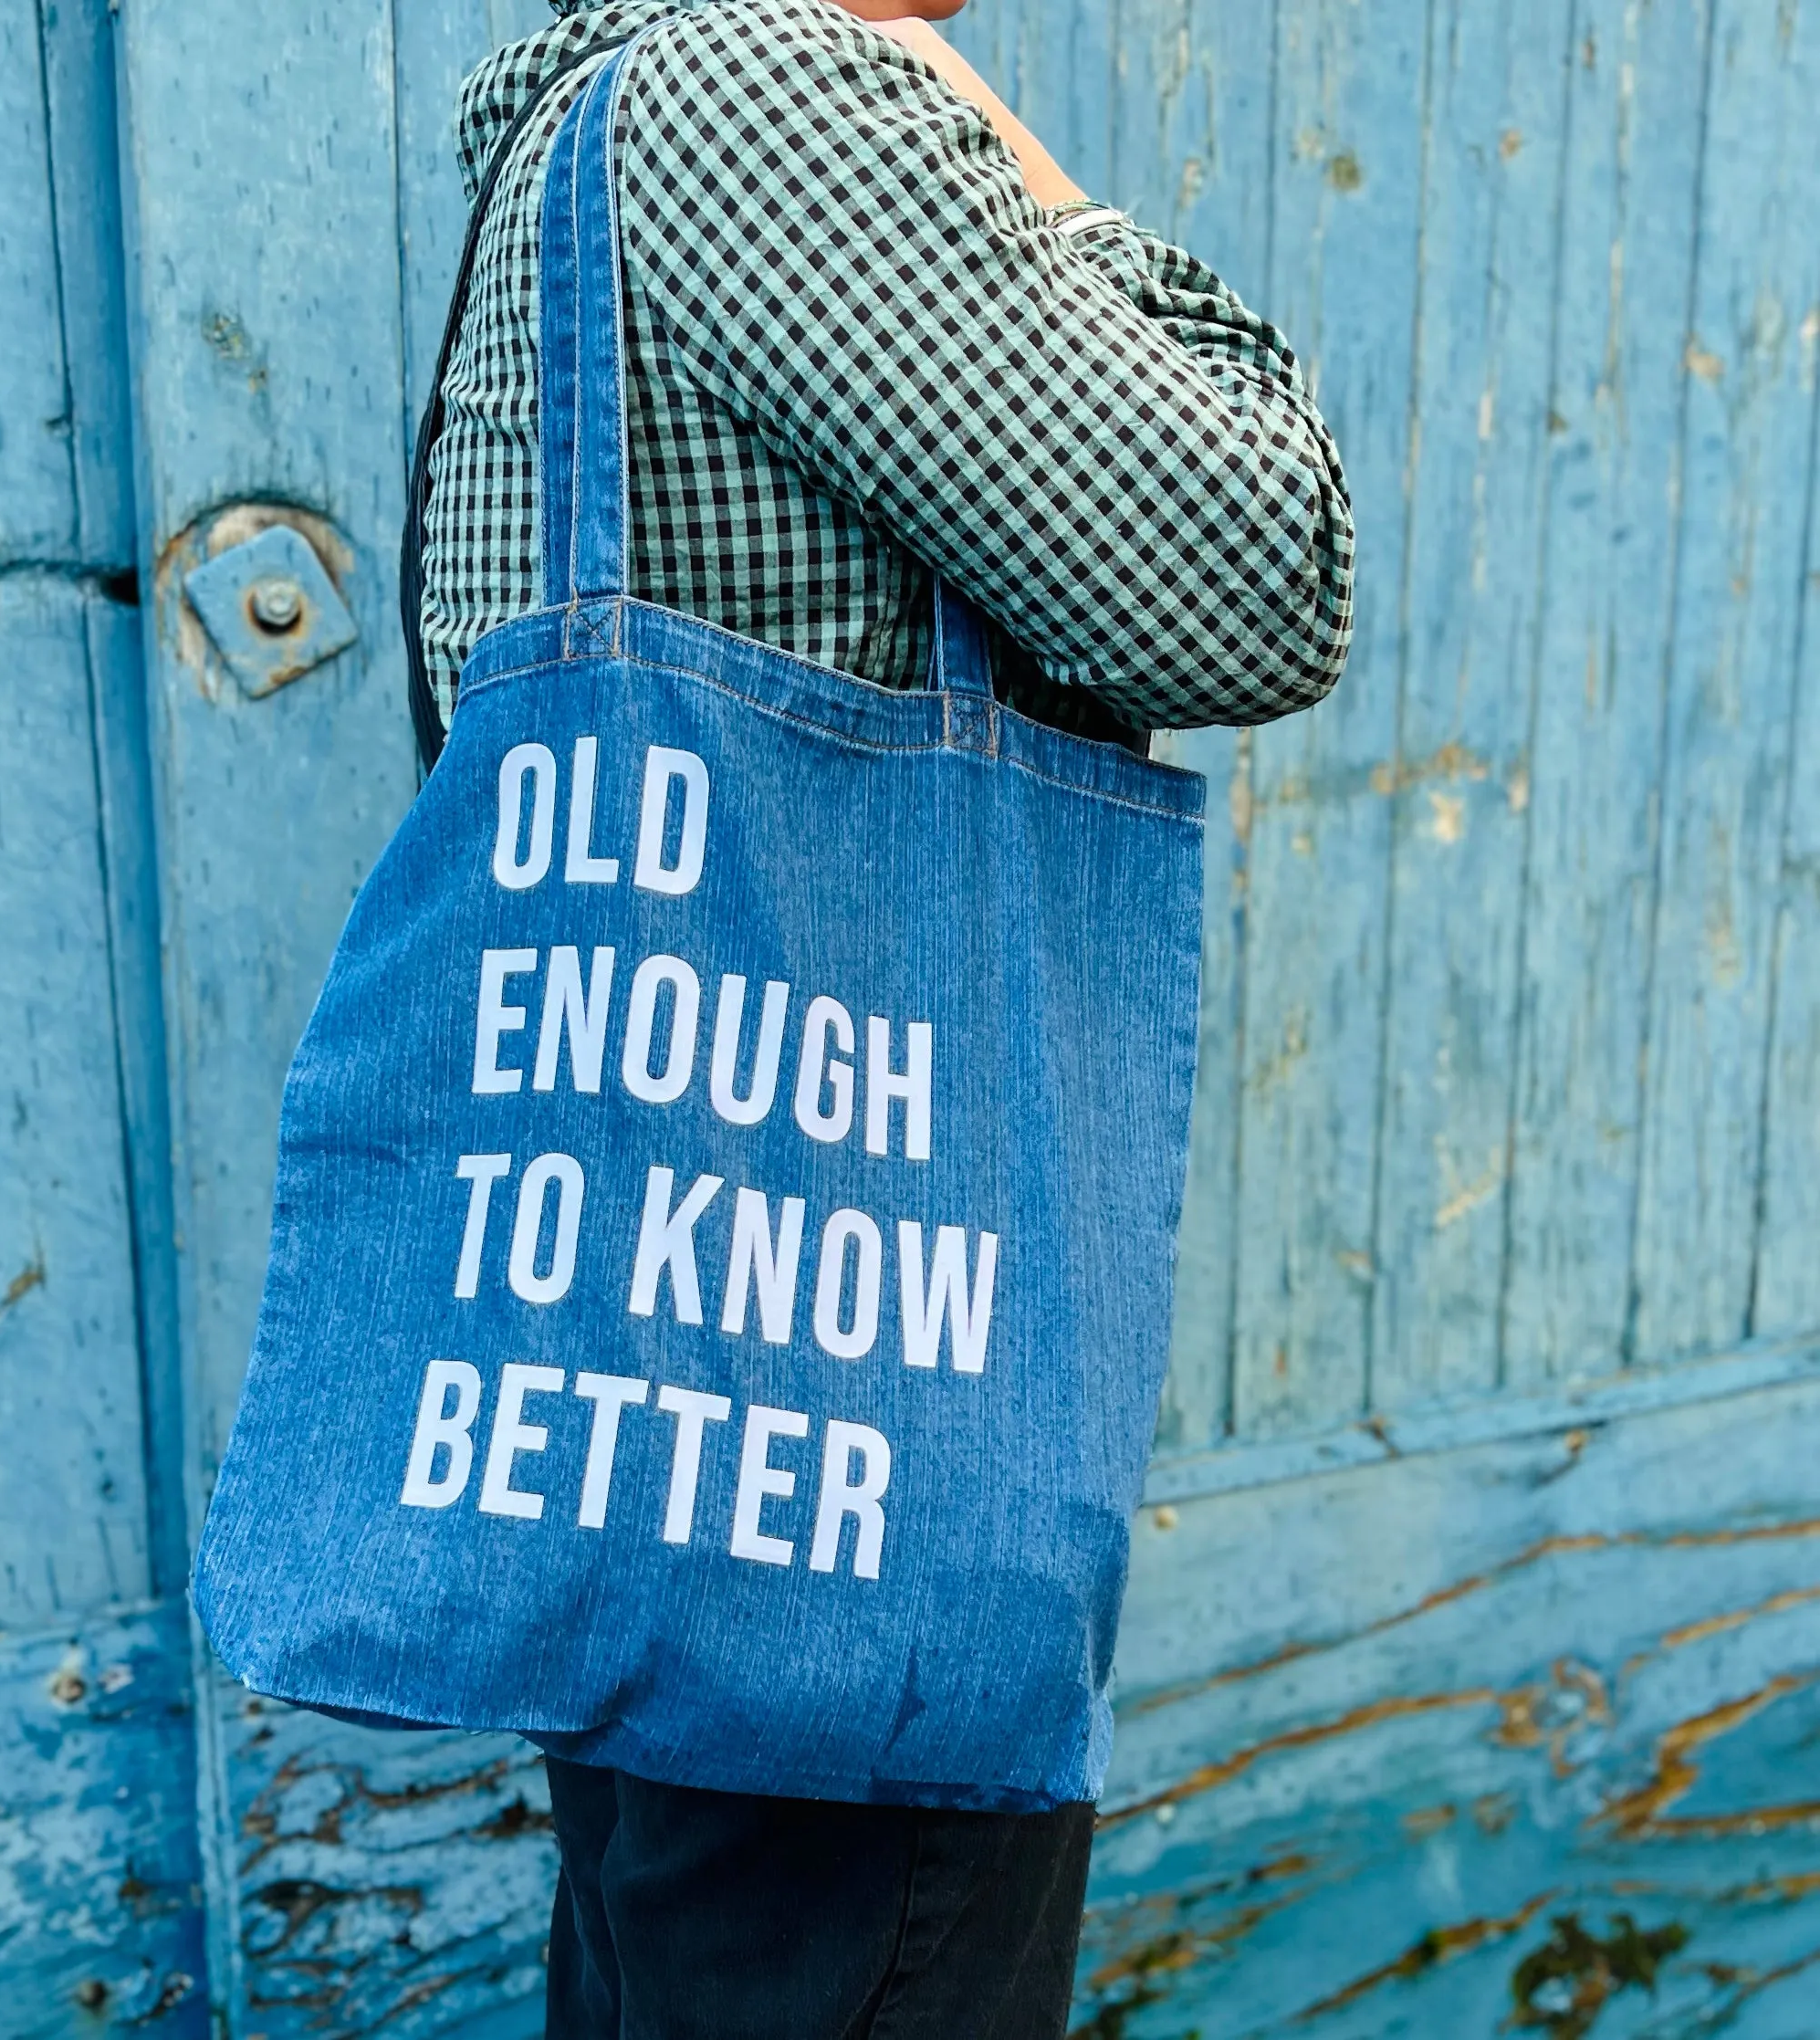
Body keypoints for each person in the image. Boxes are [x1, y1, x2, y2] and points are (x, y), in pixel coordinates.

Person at [417, 4, 1354, 2034]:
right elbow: (1259, 575)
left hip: (657, 1355)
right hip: (848, 1386)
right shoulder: (774, 95)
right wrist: (1027, 171)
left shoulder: (571, 115)